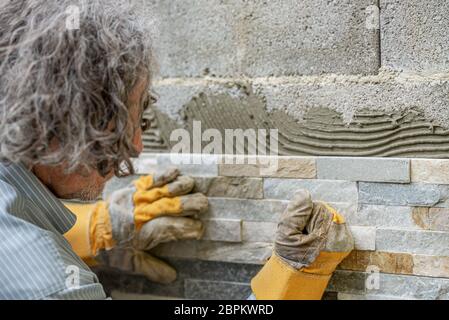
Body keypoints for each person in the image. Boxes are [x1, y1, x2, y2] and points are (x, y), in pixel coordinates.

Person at [0, 0, 353, 300]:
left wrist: (97, 233)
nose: (136, 146)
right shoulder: (51, 285)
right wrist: (288, 280)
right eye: (125, 120)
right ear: (61, 126)